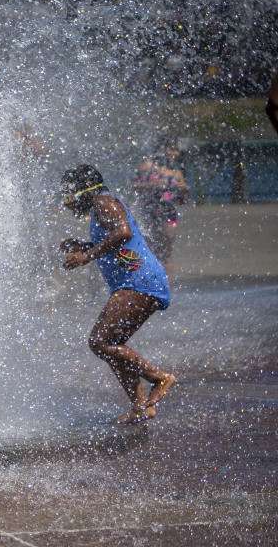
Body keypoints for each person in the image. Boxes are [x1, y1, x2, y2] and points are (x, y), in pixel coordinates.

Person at [59, 164, 176, 424]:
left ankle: (159, 378)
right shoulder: (101, 205)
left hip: (139, 281)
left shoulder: (104, 202)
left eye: (69, 194)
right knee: (110, 346)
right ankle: (140, 407)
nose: (67, 201)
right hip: (134, 281)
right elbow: (115, 238)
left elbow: (124, 233)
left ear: (83, 191)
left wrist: (86, 256)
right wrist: (84, 245)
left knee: (100, 342)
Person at [131, 137, 188, 275]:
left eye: (177, 151)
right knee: (147, 251)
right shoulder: (147, 166)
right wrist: (152, 184)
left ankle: (166, 294)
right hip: (147, 212)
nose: (176, 154)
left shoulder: (177, 173)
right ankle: (147, 288)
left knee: (166, 255)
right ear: (162, 150)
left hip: (168, 214)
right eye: (172, 149)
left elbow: (180, 201)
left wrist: (184, 191)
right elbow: (133, 187)